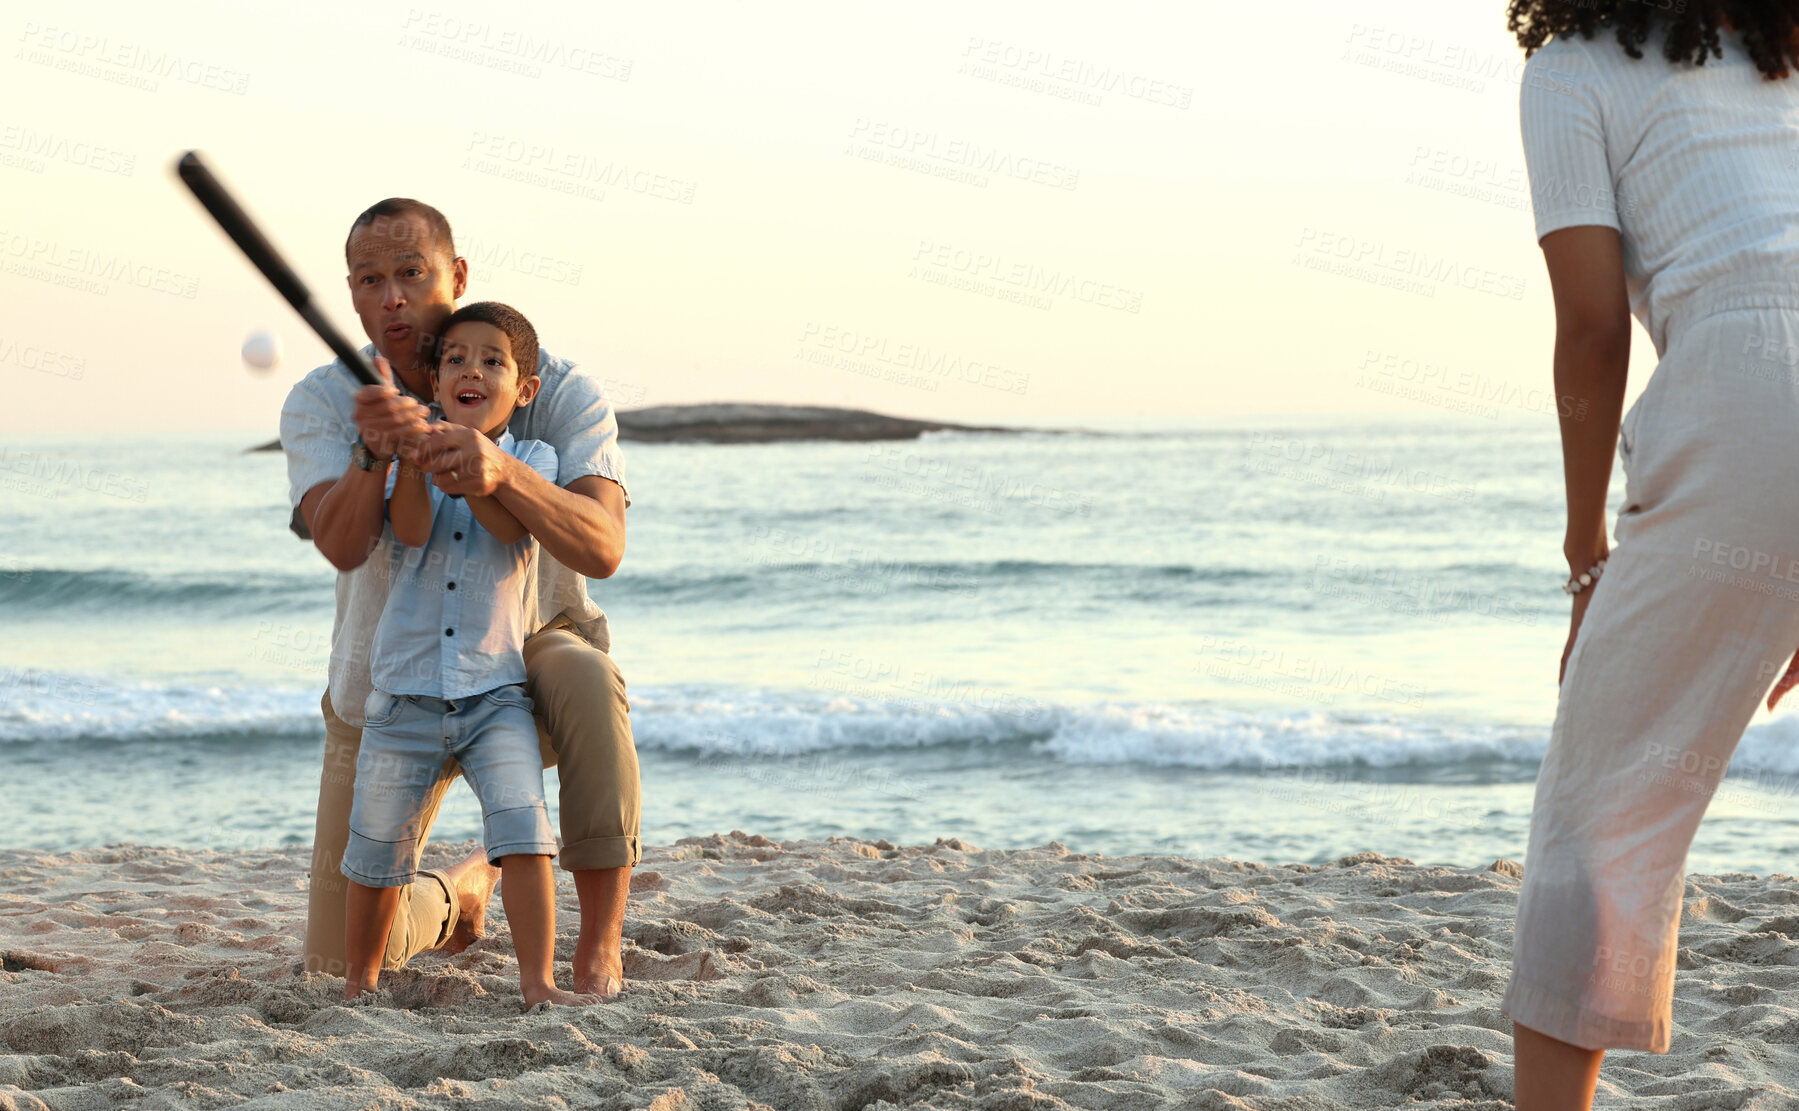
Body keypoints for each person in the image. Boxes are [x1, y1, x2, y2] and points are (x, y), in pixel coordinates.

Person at [1503, 4, 1799, 1107]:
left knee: (1592, 816)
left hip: (1742, 390)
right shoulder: (1778, 58)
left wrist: (1585, 550)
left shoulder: (1568, 72)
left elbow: (1589, 327)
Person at [280, 199, 639, 998]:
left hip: (522, 655)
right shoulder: (320, 401)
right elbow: (341, 543)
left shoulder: (551, 387)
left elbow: (603, 546)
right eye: (372, 280)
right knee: (336, 963)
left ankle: (597, 950)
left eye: (413, 273)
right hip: (387, 673)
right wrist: (375, 453)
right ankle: (459, 892)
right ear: (352, 295)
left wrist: (502, 472)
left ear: (457, 275)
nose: (394, 298)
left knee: (584, 674)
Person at [341, 302, 597, 1007]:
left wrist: (476, 465)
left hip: (494, 693)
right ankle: (360, 981)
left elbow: (508, 522)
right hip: (403, 692)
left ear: (525, 389)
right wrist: (418, 459)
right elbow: (413, 531)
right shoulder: (406, 458)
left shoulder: (534, 462)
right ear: (434, 379)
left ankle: (538, 981)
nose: (471, 370)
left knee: (524, 832)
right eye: (455, 358)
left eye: (492, 361)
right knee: (376, 847)